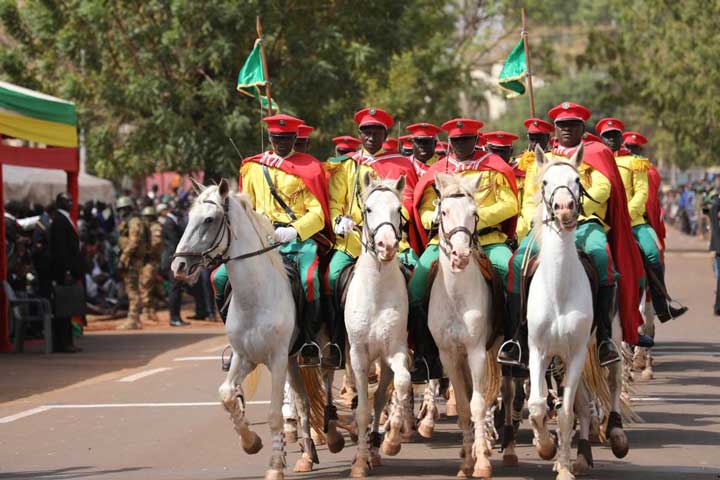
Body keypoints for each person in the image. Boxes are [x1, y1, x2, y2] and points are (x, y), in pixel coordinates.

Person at [503, 102, 644, 368]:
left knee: (603, 260)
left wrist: (576, 210)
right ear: (555, 129)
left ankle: (603, 338)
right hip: (546, 226)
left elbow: (604, 188)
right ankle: (517, 338)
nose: (567, 129)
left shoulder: (597, 153)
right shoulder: (542, 158)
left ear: (582, 128)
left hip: (586, 223)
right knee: (516, 263)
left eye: (573, 125)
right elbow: (531, 199)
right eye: (562, 125)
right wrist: (526, 228)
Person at [212, 113, 332, 366]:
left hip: (296, 240)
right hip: (262, 240)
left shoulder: (309, 167)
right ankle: (235, 343)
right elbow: (247, 205)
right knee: (219, 277)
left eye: (287, 138)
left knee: (309, 280)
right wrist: (256, 228)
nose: (282, 143)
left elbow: (318, 212)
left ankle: (309, 341)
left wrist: (296, 230)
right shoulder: (254, 167)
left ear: (294, 137)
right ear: (269, 137)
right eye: (277, 138)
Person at [408, 118, 518, 381]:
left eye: (466, 140)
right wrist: (431, 218)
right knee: (415, 287)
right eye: (456, 141)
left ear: (476, 140)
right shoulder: (438, 170)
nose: (460, 145)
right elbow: (422, 207)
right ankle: (425, 353)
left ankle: (514, 342)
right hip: (444, 244)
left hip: (488, 241)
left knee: (516, 272)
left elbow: (510, 204)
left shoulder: (494, 167)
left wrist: (474, 217)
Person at [324, 107, 422, 366]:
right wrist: (339, 221)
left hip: (392, 244)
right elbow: (335, 201)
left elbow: (409, 205)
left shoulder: (401, 164)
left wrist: (393, 226)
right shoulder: (346, 166)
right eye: (366, 131)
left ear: (385, 134)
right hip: (353, 243)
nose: (371, 137)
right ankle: (336, 344)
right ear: (359, 134)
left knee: (419, 282)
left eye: (376, 131)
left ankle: (419, 349)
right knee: (331, 278)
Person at [597, 118, 687, 323]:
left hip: (634, 223)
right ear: (601, 139)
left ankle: (662, 306)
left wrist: (625, 215)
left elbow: (641, 193)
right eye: (607, 136)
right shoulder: (593, 162)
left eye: (615, 136)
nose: (611, 140)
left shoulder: (634, 162)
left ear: (621, 138)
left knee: (653, 254)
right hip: (602, 223)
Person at [49, 193, 82, 353]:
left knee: (68, 307)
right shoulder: (59, 221)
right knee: (63, 308)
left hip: (69, 270)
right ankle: (63, 343)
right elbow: (61, 249)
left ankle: (68, 341)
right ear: (60, 203)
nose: (71, 202)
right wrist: (67, 269)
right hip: (63, 271)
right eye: (67, 201)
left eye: (71, 200)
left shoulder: (65, 218)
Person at [514, 118, 554, 241]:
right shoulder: (517, 162)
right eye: (532, 138)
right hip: (520, 213)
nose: (535, 143)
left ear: (547, 139)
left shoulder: (552, 159)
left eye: (540, 138)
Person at [116, 196, 147, 330]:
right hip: (131, 259)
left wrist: (123, 257)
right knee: (131, 289)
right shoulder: (128, 222)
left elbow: (134, 242)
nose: (121, 212)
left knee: (132, 289)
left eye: (123, 209)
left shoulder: (133, 222)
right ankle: (135, 318)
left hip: (132, 260)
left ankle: (133, 319)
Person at [161, 201, 190, 327]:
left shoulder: (174, 221)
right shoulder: (169, 223)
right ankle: (174, 318)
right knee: (174, 289)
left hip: (175, 259)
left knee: (178, 289)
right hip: (171, 259)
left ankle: (177, 317)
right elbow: (174, 242)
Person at [140, 206, 163, 324]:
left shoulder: (155, 227)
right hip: (149, 260)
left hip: (151, 260)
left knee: (146, 285)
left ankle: (147, 313)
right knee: (150, 287)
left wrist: (146, 252)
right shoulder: (148, 227)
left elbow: (157, 243)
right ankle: (151, 312)